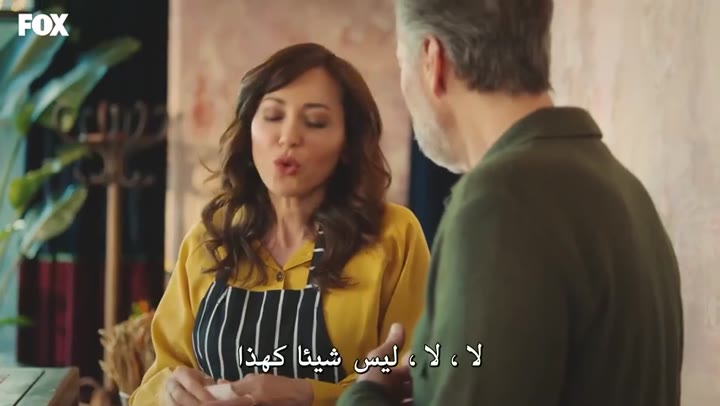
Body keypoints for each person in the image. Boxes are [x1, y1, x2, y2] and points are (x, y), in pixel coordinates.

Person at [339, 0, 684, 405]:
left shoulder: (498, 204)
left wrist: (365, 392)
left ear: (433, 60)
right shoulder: (622, 188)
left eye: (403, 61)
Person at [129, 42, 431, 406]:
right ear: (249, 131)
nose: (288, 137)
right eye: (272, 116)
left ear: (348, 145)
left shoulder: (393, 235)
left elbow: (416, 380)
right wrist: (170, 393)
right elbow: (153, 382)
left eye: (315, 122)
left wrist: (308, 394)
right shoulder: (210, 239)